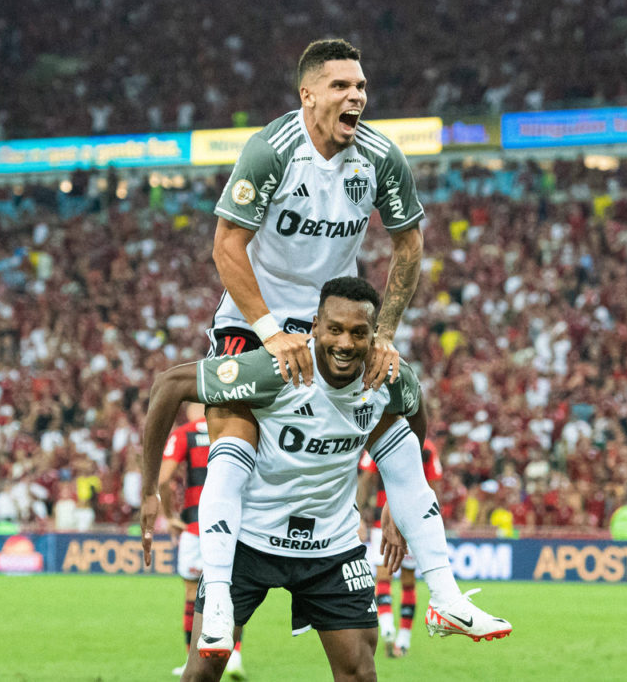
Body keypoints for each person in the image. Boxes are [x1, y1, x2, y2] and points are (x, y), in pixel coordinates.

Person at [142, 278, 512, 682]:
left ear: (376, 337)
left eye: (359, 333)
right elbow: (169, 384)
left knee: (359, 672)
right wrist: (148, 492)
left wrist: (394, 503)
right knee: (202, 673)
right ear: (315, 326)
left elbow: (416, 407)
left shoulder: (387, 375)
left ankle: (445, 596)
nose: (345, 343)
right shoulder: (278, 368)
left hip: (331, 545)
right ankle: (217, 592)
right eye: (334, 329)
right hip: (250, 537)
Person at [197, 37, 427, 657]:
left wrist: (384, 334)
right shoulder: (271, 150)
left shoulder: (378, 157)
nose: (356, 97)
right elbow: (226, 247)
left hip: (336, 327)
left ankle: (394, 542)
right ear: (308, 95)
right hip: (257, 319)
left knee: (388, 409)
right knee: (234, 439)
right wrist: (271, 331)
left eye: (362, 87)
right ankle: (217, 590)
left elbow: (409, 245)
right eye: (341, 87)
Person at [158, 403, 245, 679]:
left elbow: (163, 479)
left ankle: (189, 660)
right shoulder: (238, 427)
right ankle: (235, 656)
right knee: (233, 593)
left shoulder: (184, 433)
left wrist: (169, 515)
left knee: (190, 595)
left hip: (196, 526)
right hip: (233, 525)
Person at [357, 438, 443, 658]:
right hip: (413, 520)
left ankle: (386, 625)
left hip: (382, 519)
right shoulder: (427, 448)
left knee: (383, 577)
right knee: (408, 582)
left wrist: (358, 515)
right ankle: (403, 640)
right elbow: (433, 485)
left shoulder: (384, 438)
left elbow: (366, 477)